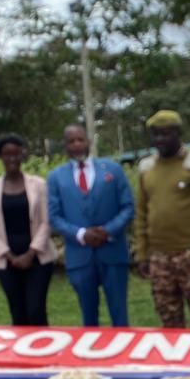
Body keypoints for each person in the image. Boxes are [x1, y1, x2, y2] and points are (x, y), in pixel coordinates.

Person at [134, 110, 190, 328]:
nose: (160, 140)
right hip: (159, 256)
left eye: (166, 134)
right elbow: (141, 214)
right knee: (169, 318)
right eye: (156, 135)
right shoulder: (146, 168)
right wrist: (142, 253)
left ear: (178, 133)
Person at [48, 124, 134, 327]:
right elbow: (54, 216)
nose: (77, 144)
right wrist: (80, 234)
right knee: (88, 318)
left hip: (112, 252)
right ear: (65, 146)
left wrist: (107, 231)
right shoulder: (56, 177)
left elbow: (128, 207)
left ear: (89, 141)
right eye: (71, 141)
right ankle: (92, 356)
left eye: (80, 139)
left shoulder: (113, 169)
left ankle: (123, 355)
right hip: (80, 256)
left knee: (119, 314)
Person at [0, 133, 57, 326]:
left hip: (38, 259)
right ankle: (22, 356)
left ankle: (44, 353)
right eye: (7, 154)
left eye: (16, 153)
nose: (12, 158)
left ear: (23, 155)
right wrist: (11, 257)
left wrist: (30, 254)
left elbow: (47, 221)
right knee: (18, 313)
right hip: (6, 263)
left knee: (36, 310)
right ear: (0, 156)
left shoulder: (38, 184)